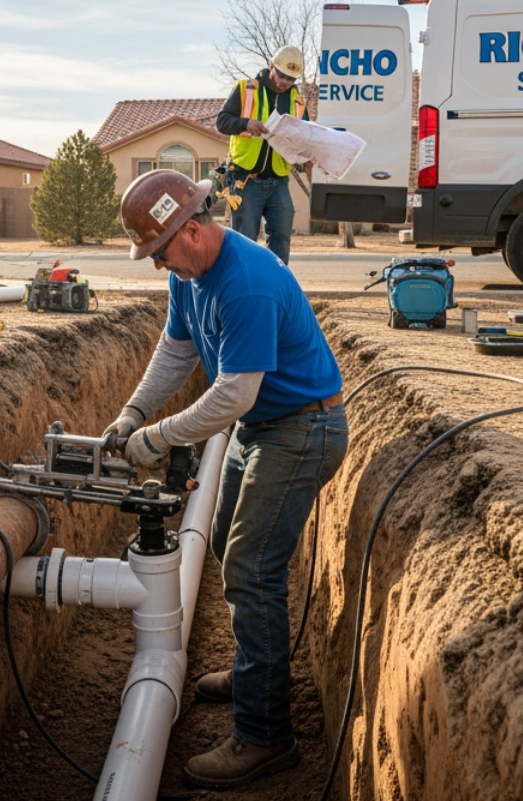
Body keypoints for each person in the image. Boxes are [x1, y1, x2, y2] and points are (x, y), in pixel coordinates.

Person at [103, 169, 348, 789]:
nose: (158, 266)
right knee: (219, 537)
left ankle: (266, 735)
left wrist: (156, 438)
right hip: (264, 427)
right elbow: (176, 351)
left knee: (251, 566)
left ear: (191, 228)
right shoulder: (190, 276)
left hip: (302, 429)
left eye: (160, 253)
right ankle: (250, 674)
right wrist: (133, 412)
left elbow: (234, 394)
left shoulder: (248, 281)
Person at [213, 45, 309, 265]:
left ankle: (276, 287)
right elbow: (222, 122)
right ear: (271, 66)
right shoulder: (246, 89)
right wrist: (245, 123)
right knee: (244, 240)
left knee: (282, 240)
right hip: (247, 180)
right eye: (282, 75)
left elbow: (306, 136)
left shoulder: (298, 102)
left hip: (279, 182)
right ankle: (242, 286)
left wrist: (308, 155)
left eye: (292, 79)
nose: (285, 82)